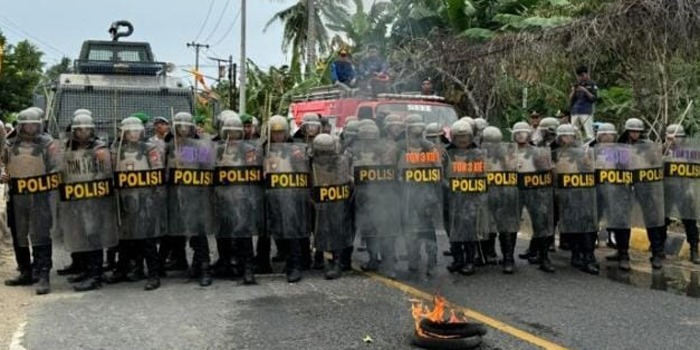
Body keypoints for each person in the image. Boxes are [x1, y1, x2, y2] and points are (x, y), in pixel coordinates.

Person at [57, 111, 118, 292]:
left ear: (91, 130)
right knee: (81, 234)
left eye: (86, 129)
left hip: (94, 198)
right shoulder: (68, 147)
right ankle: (85, 270)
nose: (82, 133)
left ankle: (95, 275)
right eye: (79, 130)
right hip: (75, 198)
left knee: (93, 235)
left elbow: (107, 171)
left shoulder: (99, 147)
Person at [2, 108, 60, 295]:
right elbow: (3, 163)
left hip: (40, 196)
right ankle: (25, 271)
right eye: (27, 124)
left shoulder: (47, 143)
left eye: (34, 124)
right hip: (17, 195)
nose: (31, 128)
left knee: (40, 234)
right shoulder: (10, 143)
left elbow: (56, 168)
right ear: (20, 125)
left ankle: (43, 275)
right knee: (19, 234)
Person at [107, 117, 165, 290]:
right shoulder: (116, 149)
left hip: (144, 197)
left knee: (147, 238)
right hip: (124, 197)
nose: (133, 134)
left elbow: (157, 171)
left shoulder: (149, 148)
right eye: (129, 131)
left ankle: (153, 274)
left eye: (135, 131)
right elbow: (110, 171)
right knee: (124, 238)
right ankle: (123, 269)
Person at [166, 112, 215, 286]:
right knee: (175, 236)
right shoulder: (168, 145)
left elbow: (208, 167)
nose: (183, 129)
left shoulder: (199, 145)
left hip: (195, 196)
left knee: (198, 235)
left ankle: (204, 269)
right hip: (175, 197)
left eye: (187, 126)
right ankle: (181, 265)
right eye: (180, 126)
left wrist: (202, 143)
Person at [214, 116, 263, 284]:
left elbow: (253, 172)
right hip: (222, 196)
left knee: (244, 234)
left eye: (236, 131)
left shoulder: (249, 149)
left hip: (242, 196)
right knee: (223, 234)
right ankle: (227, 264)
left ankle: (247, 269)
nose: (232, 134)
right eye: (229, 131)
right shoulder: (218, 149)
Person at [263, 115, 310, 283]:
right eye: (274, 133)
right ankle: (262, 262)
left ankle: (294, 266)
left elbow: (303, 170)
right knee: (267, 231)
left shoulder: (294, 148)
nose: (277, 136)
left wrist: (299, 160)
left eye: (280, 133)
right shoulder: (263, 149)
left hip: (289, 194)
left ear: (286, 132)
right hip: (269, 195)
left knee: (291, 231)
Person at [617, 117, 666, 270]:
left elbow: (656, 158)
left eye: (638, 132)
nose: (635, 134)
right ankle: (623, 254)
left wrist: (664, 146)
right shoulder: (619, 146)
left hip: (645, 186)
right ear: (627, 131)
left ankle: (657, 253)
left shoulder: (647, 145)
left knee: (652, 220)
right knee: (623, 221)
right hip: (625, 187)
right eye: (632, 131)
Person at [399, 114, 442, 277]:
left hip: (426, 192)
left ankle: (432, 260)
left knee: (427, 228)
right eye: (413, 128)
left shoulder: (429, 147)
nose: (416, 131)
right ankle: (413, 258)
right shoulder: (401, 146)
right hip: (407, 191)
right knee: (409, 226)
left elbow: (438, 170)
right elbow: (392, 167)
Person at [552, 124, 599, 275]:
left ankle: (589, 257)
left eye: (570, 136)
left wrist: (587, 163)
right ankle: (576, 254)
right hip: (564, 194)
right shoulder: (554, 153)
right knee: (571, 226)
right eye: (564, 136)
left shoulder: (583, 151)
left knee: (587, 227)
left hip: (583, 193)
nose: (567, 139)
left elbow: (591, 171)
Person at [444, 120, 487, 276]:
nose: (462, 140)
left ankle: (470, 261)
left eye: (465, 136)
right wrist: (447, 184)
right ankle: (457, 259)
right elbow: (438, 174)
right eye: (459, 136)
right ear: (453, 137)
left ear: (471, 137)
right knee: (451, 228)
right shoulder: (446, 153)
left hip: (470, 197)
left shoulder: (478, 154)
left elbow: (482, 176)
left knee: (469, 229)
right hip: (450, 197)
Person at [512, 121, 555, 273]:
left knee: (540, 223)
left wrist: (546, 165)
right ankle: (508, 259)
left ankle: (544, 258)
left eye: (523, 132)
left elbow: (547, 171)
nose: (521, 135)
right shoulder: (509, 152)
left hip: (534, 190)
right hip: (515, 190)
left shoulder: (537, 152)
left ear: (529, 134)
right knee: (511, 224)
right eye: (517, 133)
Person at [310, 134, 353, 279]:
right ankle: (318, 257)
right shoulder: (310, 162)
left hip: (334, 200)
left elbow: (343, 179)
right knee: (317, 228)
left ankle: (337, 262)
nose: (324, 156)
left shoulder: (340, 162)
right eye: (321, 153)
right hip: (317, 199)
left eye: (327, 153)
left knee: (335, 229)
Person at [482, 126, 519, 274]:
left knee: (506, 229)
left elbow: (513, 173)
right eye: (488, 142)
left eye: (495, 142)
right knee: (487, 226)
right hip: (486, 194)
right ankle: (488, 253)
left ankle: (508, 259)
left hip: (504, 194)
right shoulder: (479, 154)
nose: (492, 146)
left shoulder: (508, 155)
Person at [662, 124, 700, 265]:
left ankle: (694, 250)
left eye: (679, 137)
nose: (675, 140)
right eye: (673, 137)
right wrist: (666, 146)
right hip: (667, 190)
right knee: (663, 220)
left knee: (689, 221)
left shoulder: (688, 151)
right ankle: (658, 249)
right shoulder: (663, 149)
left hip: (684, 190)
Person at [569, 65, 598, 140]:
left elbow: (594, 98)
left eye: (582, 75)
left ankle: (590, 149)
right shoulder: (577, 85)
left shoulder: (592, 84)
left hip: (586, 111)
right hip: (575, 111)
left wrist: (585, 90)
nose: (581, 78)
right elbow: (570, 99)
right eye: (579, 76)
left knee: (589, 134)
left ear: (586, 74)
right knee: (573, 132)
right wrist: (573, 91)